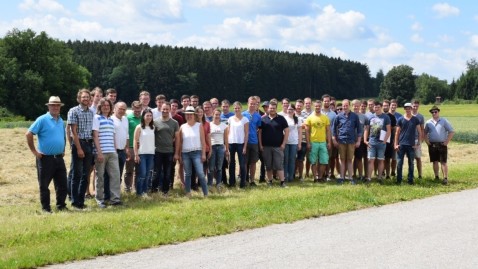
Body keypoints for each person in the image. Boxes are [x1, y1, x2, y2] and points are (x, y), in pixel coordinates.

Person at [26, 96, 68, 213]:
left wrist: (63, 148)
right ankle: (46, 208)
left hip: (59, 158)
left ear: (60, 107)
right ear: (48, 106)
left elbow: (63, 136)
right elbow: (28, 134)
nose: (55, 107)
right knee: (44, 185)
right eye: (53, 105)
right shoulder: (42, 119)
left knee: (62, 184)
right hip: (45, 158)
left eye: (58, 105)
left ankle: (61, 205)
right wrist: (35, 152)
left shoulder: (60, 120)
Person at [92, 98, 122, 208]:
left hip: (112, 152)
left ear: (111, 108)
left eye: (108, 106)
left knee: (115, 176)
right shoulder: (96, 118)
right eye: (104, 105)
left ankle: (115, 199)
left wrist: (115, 150)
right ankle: (100, 199)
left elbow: (113, 136)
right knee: (100, 177)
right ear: (100, 107)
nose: (106, 107)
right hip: (101, 152)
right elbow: (95, 136)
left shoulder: (111, 120)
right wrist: (99, 152)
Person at [67, 89, 94, 210]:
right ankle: (74, 201)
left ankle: (81, 201)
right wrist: (78, 148)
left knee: (85, 174)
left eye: (87, 97)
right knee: (76, 174)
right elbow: (73, 131)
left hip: (89, 144)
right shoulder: (74, 111)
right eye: (83, 97)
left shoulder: (91, 112)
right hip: (79, 143)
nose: (86, 99)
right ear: (79, 99)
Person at [176, 106, 208, 197]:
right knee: (188, 174)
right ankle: (188, 193)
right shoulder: (182, 126)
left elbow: (203, 140)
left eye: (191, 114)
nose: (189, 116)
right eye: (187, 115)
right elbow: (181, 141)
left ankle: (205, 193)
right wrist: (180, 154)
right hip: (185, 153)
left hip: (197, 152)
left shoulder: (199, 125)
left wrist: (203, 154)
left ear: (194, 115)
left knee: (200, 173)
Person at [258, 100, 289, 187]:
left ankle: (282, 182)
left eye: (274, 108)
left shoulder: (281, 119)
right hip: (266, 146)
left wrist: (283, 144)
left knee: (279, 165)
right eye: (270, 108)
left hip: (278, 146)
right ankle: (270, 181)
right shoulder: (263, 119)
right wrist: (260, 145)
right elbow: (260, 132)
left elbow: (287, 131)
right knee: (268, 165)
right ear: (268, 109)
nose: (272, 109)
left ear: (276, 109)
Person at [332, 99, 362, 184]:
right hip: (341, 141)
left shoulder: (354, 116)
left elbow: (359, 130)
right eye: (343, 105)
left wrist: (359, 141)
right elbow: (333, 129)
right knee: (342, 159)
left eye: (346, 105)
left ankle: (350, 178)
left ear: (349, 106)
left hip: (351, 141)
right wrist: (334, 140)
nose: (345, 107)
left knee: (349, 160)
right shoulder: (338, 116)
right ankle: (342, 177)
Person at [153, 102, 179, 195]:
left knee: (167, 173)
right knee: (157, 172)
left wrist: (176, 153)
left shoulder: (175, 123)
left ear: (170, 110)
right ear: (161, 109)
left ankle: (165, 191)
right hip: (158, 151)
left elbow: (177, 139)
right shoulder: (155, 122)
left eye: (167, 109)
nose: (165, 111)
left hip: (169, 151)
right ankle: (154, 190)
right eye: (163, 109)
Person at [424, 105, 455, 185]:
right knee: (435, 161)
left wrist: (446, 142)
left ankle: (445, 178)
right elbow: (424, 133)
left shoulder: (444, 121)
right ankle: (436, 176)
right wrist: (427, 142)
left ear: (438, 112)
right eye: (432, 112)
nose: (434, 113)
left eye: (435, 112)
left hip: (442, 144)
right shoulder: (428, 122)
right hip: (432, 144)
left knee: (443, 162)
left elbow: (451, 131)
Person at [363, 101, 391, 184]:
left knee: (380, 160)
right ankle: (368, 178)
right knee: (370, 160)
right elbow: (366, 129)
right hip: (372, 142)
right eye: (375, 107)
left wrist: (385, 141)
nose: (376, 108)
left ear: (381, 107)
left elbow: (389, 130)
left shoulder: (386, 117)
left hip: (381, 143)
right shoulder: (370, 117)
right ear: (373, 108)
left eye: (378, 107)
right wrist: (365, 140)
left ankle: (379, 178)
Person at [394, 103, 422, 185]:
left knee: (411, 163)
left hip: (411, 145)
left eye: (409, 108)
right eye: (406, 108)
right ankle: (399, 180)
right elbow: (397, 133)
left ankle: (410, 180)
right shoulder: (400, 119)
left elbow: (420, 132)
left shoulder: (415, 119)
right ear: (404, 109)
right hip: (401, 144)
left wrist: (418, 144)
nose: (408, 110)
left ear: (411, 109)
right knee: (399, 163)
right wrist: (395, 144)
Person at [305, 100, 331, 183]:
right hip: (313, 142)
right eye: (316, 106)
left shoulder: (325, 118)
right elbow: (307, 131)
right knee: (313, 161)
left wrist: (329, 142)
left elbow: (328, 131)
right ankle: (315, 178)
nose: (317, 107)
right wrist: (308, 142)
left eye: (319, 106)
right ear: (314, 106)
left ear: (321, 106)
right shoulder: (310, 118)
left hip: (323, 142)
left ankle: (320, 177)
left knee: (324, 161)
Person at [226, 101, 249, 188]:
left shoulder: (245, 119)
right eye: (235, 108)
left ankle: (242, 183)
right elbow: (228, 132)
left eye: (238, 108)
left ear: (241, 108)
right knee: (231, 163)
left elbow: (246, 133)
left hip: (241, 144)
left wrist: (245, 146)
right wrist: (227, 145)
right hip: (231, 143)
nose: (237, 109)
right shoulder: (230, 119)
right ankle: (232, 182)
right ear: (233, 109)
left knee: (242, 164)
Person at [133, 109, 155, 198]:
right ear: (143, 117)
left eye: (150, 115)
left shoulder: (153, 127)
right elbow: (135, 140)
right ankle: (139, 192)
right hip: (142, 153)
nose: (149, 117)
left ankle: (145, 192)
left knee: (148, 174)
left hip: (151, 153)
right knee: (142, 173)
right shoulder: (139, 127)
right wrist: (136, 154)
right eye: (147, 115)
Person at [242, 96, 262, 186]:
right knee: (245, 162)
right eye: (251, 103)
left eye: (254, 104)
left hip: (254, 142)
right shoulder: (243, 115)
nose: (252, 105)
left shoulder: (258, 116)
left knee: (253, 162)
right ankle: (245, 179)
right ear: (248, 103)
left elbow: (258, 128)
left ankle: (252, 180)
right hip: (244, 142)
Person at [124, 101, 142, 192]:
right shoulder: (127, 118)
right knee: (129, 170)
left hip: (141, 148)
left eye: (139, 110)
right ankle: (127, 188)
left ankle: (137, 188)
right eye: (135, 110)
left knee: (139, 170)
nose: (137, 112)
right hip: (130, 146)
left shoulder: (144, 118)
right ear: (132, 109)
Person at [208, 108, 227, 189]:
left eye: (219, 115)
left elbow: (226, 139)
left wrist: (227, 149)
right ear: (213, 114)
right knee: (211, 168)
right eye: (216, 114)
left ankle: (218, 183)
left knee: (219, 167)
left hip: (220, 147)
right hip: (212, 147)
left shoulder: (224, 125)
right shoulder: (209, 125)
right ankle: (209, 184)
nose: (217, 116)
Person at [352, 99, 368, 181]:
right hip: (350, 141)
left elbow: (366, 129)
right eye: (354, 105)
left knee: (358, 158)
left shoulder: (364, 117)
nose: (356, 107)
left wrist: (363, 138)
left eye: (357, 105)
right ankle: (353, 174)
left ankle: (361, 175)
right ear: (352, 106)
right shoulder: (349, 115)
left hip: (360, 141)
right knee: (349, 159)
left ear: (360, 106)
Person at [284, 103, 301, 182]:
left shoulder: (298, 119)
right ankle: (285, 177)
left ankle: (291, 177)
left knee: (292, 160)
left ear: (294, 110)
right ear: (286, 110)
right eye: (289, 109)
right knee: (285, 160)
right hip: (286, 142)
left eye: (291, 109)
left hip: (294, 143)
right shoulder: (284, 119)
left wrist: (299, 143)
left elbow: (300, 132)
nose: (290, 111)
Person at [382, 100, 397, 179]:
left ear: (389, 106)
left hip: (389, 140)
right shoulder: (378, 115)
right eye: (384, 105)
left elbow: (394, 130)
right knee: (381, 158)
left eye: (386, 105)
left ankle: (388, 175)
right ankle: (381, 173)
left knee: (388, 158)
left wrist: (394, 141)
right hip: (380, 141)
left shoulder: (392, 117)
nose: (385, 107)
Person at [411, 99, 425, 180]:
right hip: (409, 140)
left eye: (416, 106)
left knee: (418, 158)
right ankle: (411, 174)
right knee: (411, 158)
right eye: (414, 106)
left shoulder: (420, 117)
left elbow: (422, 129)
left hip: (417, 139)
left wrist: (421, 139)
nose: (415, 107)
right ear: (411, 106)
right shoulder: (408, 115)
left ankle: (420, 175)